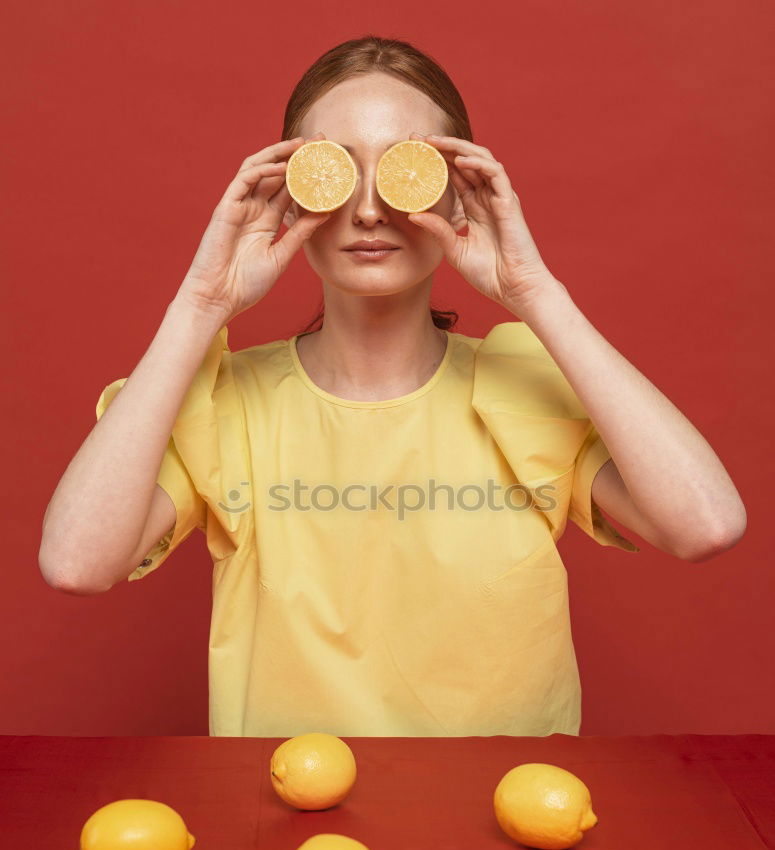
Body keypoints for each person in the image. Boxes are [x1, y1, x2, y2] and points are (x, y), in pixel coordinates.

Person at [39, 36, 746, 738]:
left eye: (408, 171)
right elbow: (76, 563)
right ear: (288, 197)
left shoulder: (522, 388)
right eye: (335, 172)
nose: (370, 210)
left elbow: (704, 525)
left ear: (460, 192)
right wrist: (200, 303)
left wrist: (534, 293)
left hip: (510, 813)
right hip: (290, 816)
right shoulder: (225, 404)